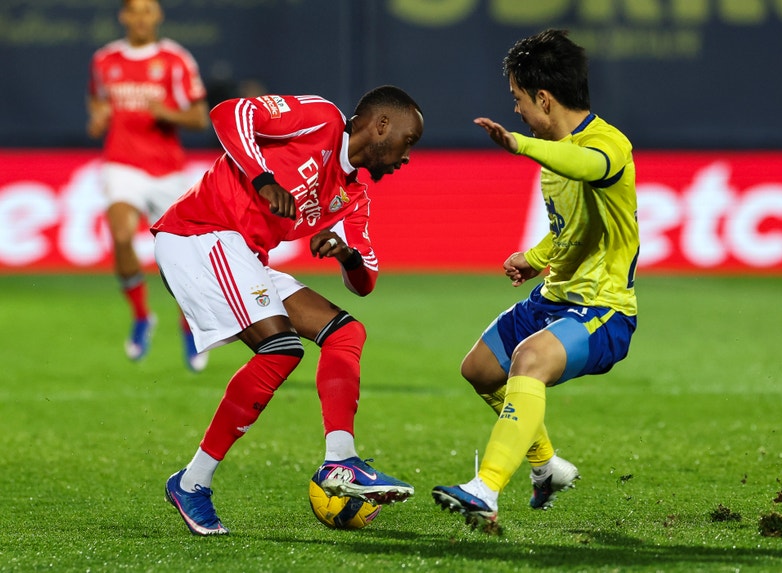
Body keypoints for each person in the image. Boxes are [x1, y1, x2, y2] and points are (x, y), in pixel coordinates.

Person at [152, 85, 424, 535]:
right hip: (199, 234)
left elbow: (366, 281)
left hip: (242, 252)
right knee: (280, 348)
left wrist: (346, 255)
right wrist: (262, 178)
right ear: (380, 126)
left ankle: (341, 461)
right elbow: (229, 112)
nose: (407, 156)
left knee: (346, 333)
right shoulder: (319, 118)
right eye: (407, 141)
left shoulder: (353, 195)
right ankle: (192, 483)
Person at [432, 29, 639, 532]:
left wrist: (520, 145)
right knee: (480, 370)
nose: (518, 110)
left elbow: (588, 166)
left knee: (529, 360)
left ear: (544, 99)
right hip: (554, 298)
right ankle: (547, 467)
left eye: (519, 100)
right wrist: (535, 256)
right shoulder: (552, 153)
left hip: (603, 310)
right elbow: (570, 228)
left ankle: (484, 488)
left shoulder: (606, 145)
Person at [87, 0, 210, 372]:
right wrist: (98, 119)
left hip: (167, 172)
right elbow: (96, 102)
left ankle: (189, 325)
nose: (140, 18)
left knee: (182, 260)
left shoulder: (176, 59)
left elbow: (199, 117)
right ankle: (142, 316)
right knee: (121, 234)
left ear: (158, 16)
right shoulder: (105, 59)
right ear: (123, 16)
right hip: (122, 165)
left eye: (147, 10)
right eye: (134, 11)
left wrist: (168, 113)